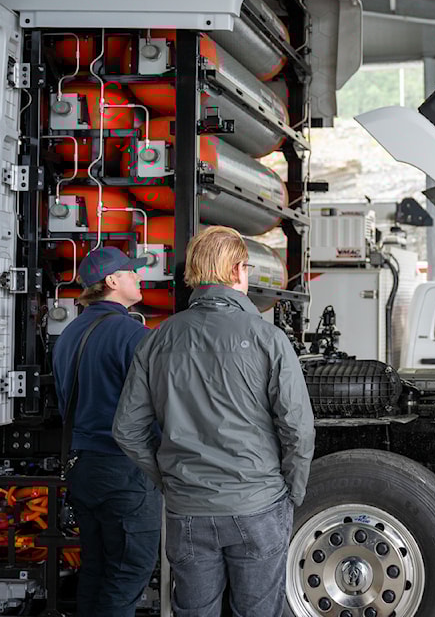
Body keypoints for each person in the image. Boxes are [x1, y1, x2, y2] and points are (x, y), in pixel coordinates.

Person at [113, 225, 315, 617]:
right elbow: (297, 428)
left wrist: (170, 479)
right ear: (238, 271)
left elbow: (127, 429)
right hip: (258, 504)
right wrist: (292, 491)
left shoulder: (158, 339)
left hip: (188, 508)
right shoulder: (267, 337)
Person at [51, 247, 160, 617]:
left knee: (95, 573)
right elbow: (157, 403)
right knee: (128, 573)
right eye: (132, 272)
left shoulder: (69, 334)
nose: (138, 278)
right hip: (124, 472)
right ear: (113, 281)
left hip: (83, 468)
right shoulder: (132, 334)